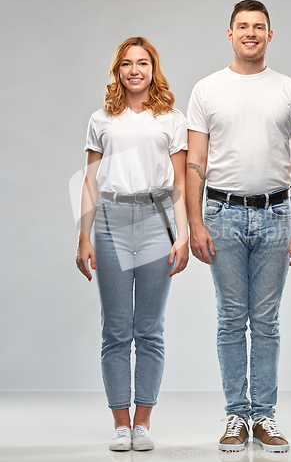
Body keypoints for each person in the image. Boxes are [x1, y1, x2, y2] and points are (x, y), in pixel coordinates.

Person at [186, 0, 291, 453]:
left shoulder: (290, 90)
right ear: (229, 34)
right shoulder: (206, 90)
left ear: (269, 35)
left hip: (276, 214)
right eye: (242, 26)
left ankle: (263, 415)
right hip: (221, 215)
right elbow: (196, 162)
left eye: (258, 27)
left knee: (265, 320)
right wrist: (194, 223)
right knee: (229, 318)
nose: (250, 33)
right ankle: (234, 416)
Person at [76, 37, 188, 452]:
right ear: (117, 71)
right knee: (117, 329)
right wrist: (83, 236)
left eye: (143, 63)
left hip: (158, 222)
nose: (135, 70)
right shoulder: (101, 118)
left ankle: (143, 422)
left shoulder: (171, 119)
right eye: (127, 64)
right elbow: (89, 182)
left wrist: (183, 237)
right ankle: (120, 423)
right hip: (110, 222)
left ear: (153, 68)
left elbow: (179, 183)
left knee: (150, 330)